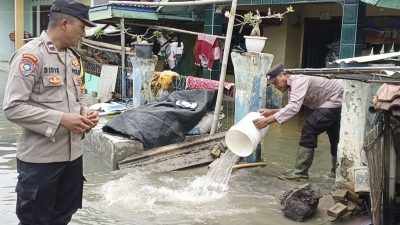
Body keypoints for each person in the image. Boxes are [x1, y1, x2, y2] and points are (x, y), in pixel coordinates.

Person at [2, 0, 99, 224]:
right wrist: (62, 120)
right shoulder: (31, 56)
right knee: (35, 220)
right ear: (64, 23)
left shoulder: (73, 59)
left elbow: (77, 101)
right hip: (40, 162)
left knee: (63, 217)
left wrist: (86, 113)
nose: (84, 34)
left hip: (73, 159)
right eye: (82, 27)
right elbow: (13, 107)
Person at [253, 64, 343, 181]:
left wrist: (267, 121)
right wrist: (271, 112)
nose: (276, 86)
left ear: (284, 75)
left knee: (310, 127)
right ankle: (336, 172)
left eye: (276, 82)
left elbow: (294, 107)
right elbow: (293, 107)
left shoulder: (299, 80)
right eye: (274, 84)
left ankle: (300, 172)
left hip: (336, 98)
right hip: (331, 101)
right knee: (334, 136)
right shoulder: (292, 87)